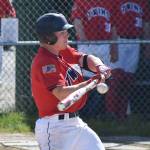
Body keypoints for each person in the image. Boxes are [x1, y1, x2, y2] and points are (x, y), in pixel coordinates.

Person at [31, 12, 111, 150]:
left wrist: (100, 67)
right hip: (54, 128)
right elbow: (61, 93)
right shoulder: (44, 62)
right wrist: (88, 83)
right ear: (49, 37)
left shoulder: (62, 51)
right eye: (62, 32)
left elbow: (84, 59)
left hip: (75, 124)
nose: (67, 35)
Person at [106, 0, 150, 120]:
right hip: (120, 39)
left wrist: (147, 46)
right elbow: (112, 24)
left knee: (128, 79)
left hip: (135, 41)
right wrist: (114, 45)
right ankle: (110, 113)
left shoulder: (143, 3)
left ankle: (122, 114)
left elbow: (146, 24)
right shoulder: (116, 2)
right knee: (116, 77)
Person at [71, 0, 114, 78]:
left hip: (105, 43)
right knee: (87, 74)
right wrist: (85, 42)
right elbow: (77, 22)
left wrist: (113, 46)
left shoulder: (109, 2)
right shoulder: (81, 2)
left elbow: (113, 24)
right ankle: (89, 89)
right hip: (88, 43)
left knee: (104, 73)